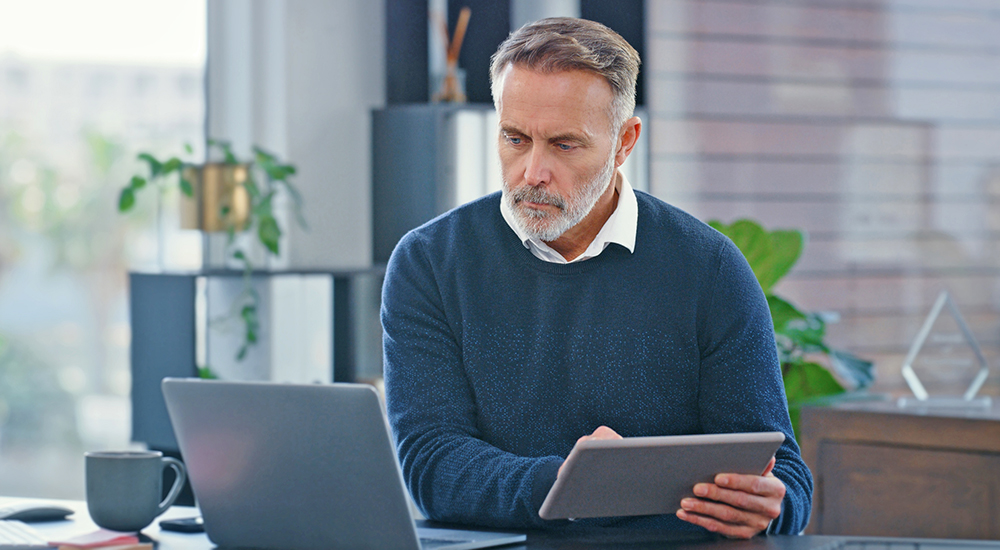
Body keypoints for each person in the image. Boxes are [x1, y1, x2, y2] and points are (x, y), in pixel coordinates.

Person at [381, 17, 812, 538]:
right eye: (515, 139)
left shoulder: (710, 269)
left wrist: (771, 506)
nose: (532, 171)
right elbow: (433, 465)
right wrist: (571, 486)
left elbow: (780, 470)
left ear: (624, 141)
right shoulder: (429, 262)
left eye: (564, 145)